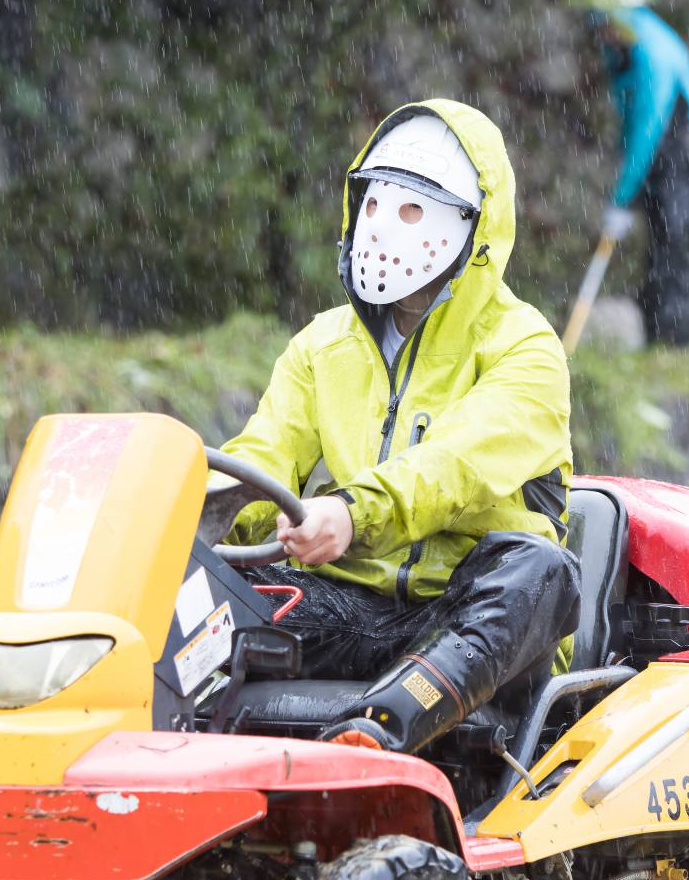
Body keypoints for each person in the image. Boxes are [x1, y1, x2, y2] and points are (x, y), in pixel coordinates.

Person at [218, 100, 581, 755]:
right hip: (350, 605)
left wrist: (351, 515)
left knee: (541, 570)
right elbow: (260, 458)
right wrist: (195, 508)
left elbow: (452, 468)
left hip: (464, 618)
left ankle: (376, 733)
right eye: (374, 206)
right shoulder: (321, 345)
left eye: (413, 211)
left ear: (474, 229)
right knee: (201, 590)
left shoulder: (523, 346)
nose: (384, 229)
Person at [589, 0, 689, 347]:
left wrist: (622, 199)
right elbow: (628, 119)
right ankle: (655, 330)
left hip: (681, 149)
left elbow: (646, 131)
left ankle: (675, 339)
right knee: (658, 240)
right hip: (657, 151)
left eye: (606, 19)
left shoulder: (652, 52)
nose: (600, 28)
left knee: (673, 239)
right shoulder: (619, 47)